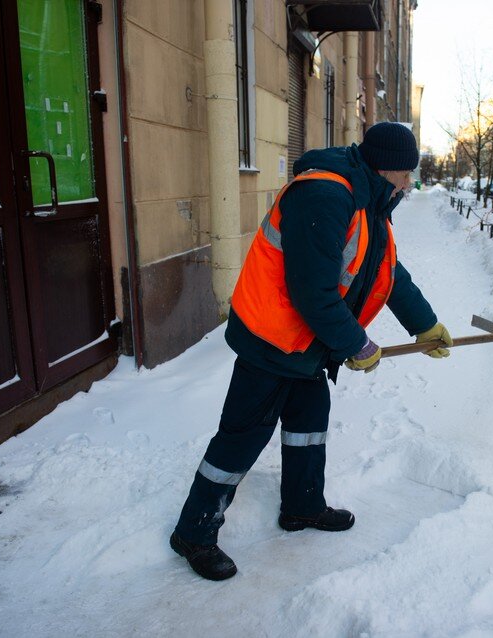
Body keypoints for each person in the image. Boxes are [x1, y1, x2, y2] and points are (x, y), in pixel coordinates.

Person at [170, 122, 453, 581]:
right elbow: (313, 293)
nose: (409, 184)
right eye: (405, 174)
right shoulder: (325, 195)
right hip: (271, 339)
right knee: (241, 437)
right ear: (387, 169)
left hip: (306, 344)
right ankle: (194, 532)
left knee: (307, 426)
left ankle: (302, 508)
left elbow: (386, 271)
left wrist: (425, 324)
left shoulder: (369, 199)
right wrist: (356, 343)